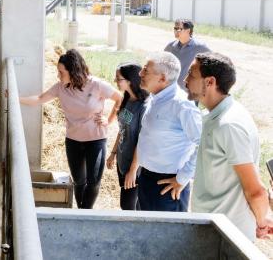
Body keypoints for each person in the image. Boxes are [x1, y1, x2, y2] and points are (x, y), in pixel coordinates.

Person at [186, 52, 273, 240]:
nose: (185, 80)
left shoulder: (229, 125)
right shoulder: (214, 116)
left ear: (210, 82)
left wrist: (260, 222)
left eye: (191, 75)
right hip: (211, 229)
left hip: (227, 236)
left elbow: (256, 191)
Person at [20, 49, 122, 209]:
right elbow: (40, 99)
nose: (58, 76)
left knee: (94, 181)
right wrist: (15, 98)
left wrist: (108, 121)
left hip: (96, 140)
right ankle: (81, 211)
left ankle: (84, 213)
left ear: (73, 71)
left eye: (61, 72)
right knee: (79, 181)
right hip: (73, 141)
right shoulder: (61, 87)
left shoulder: (96, 85)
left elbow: (119, 99)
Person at [133, 51, 201, 212]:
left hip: (168, 185)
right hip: (146, 178)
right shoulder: (155, 98)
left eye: (145, 71)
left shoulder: (182, 105)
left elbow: (203, 143)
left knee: (165, 235)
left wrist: (182, 178)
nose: (140, 73)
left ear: (162, 78)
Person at [106, 62, 150, 210]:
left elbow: (142, 141)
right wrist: (113, 153)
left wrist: (133, 170)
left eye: (118, 78)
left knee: (127, 206)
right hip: (122, 160)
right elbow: (122, 129)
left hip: (135, 165)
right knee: (131, 205)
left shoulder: (143, 107)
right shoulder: (126, 99)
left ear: (130, 80)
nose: (115, 81)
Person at [164, 18, 210, 90]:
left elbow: (212, 66)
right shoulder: (170, 47)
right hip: (172, 92)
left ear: (188, 30)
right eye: (175, 28)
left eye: (179, 29)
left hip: (191, 92)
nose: (176, 31)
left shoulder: (200, 47)